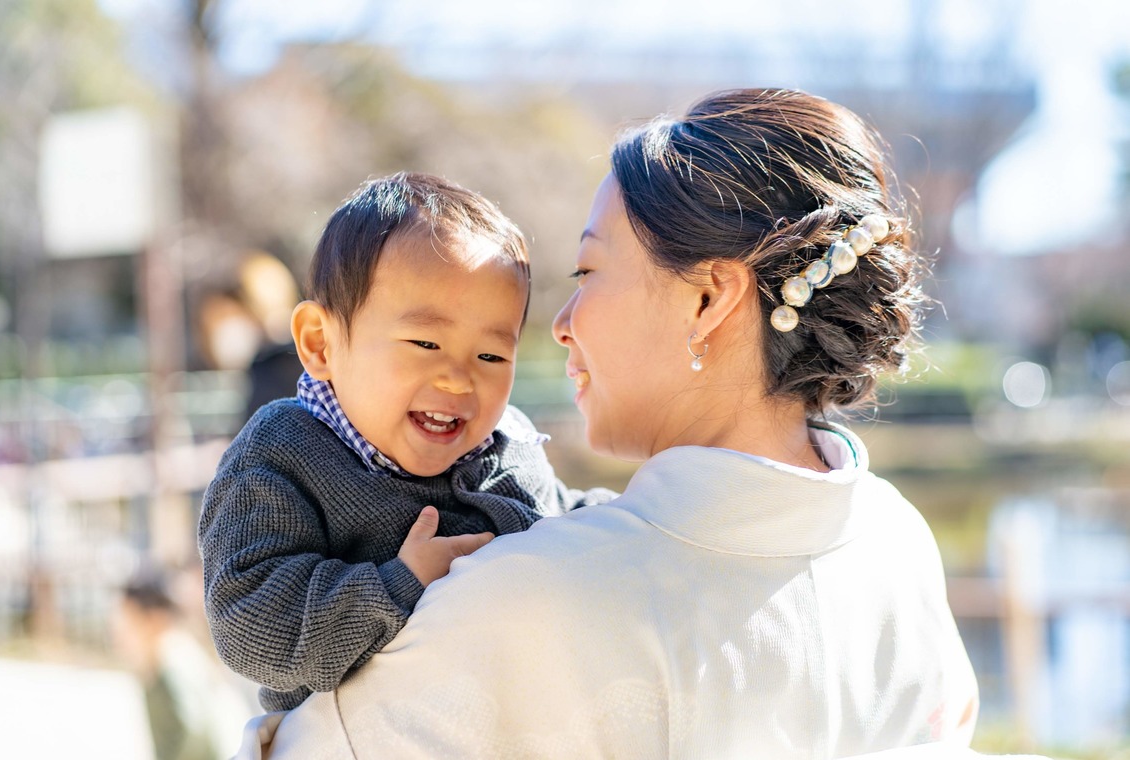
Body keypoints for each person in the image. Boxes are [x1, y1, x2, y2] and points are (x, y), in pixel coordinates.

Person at [235, 88, 980, 759]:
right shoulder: (897, 539)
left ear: (708, 299)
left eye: (587, 274)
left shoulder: (523, 598)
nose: (560, 325)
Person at [198, 172, 613, 713]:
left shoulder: (507, 445)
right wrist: (398, 584)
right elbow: (248, 621)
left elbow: (565, 520)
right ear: (320, 343)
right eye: (425, 342)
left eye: (491, 356)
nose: (459, 380)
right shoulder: (285, 452)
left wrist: (639, 519)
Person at [112, 573, 254, 760]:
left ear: (155, 618)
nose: (120, 632)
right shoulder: (165, 656)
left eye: (128, 621)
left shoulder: (173, 660)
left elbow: (192, 729)